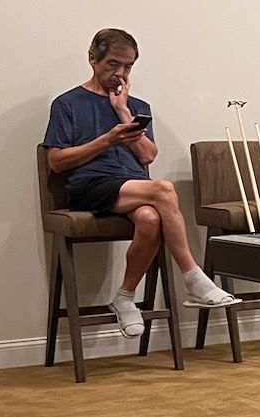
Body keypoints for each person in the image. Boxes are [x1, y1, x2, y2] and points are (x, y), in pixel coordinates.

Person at [43, 28, 237, 338]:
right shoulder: (67, 104)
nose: (119, 73)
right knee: (163, 189)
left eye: (128, 67)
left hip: (131, 187)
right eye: (113, 64)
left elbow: (147, 156)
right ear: (92, 59)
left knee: (149, 218)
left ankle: (124, 298)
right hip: (89, 186)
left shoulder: (137, 106)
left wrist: (122, 112)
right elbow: (56, 161)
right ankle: (193, 276)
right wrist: (106, 141)